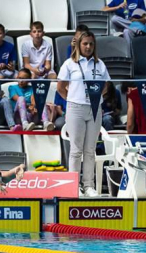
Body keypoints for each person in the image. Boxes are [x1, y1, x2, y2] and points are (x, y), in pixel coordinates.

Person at [57, 31, 111, 198]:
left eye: (91, 44)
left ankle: (89, 186)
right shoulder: (69, 64)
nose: (88, 47)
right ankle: (74, 186)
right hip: (75, 108)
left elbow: (106, 86)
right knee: (76, 150)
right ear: (79, 45)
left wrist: (96, 97)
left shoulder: (100, 64)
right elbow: (60, 87)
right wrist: (73, 100)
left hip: (95, 108)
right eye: (85, 43)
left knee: (90, 150)